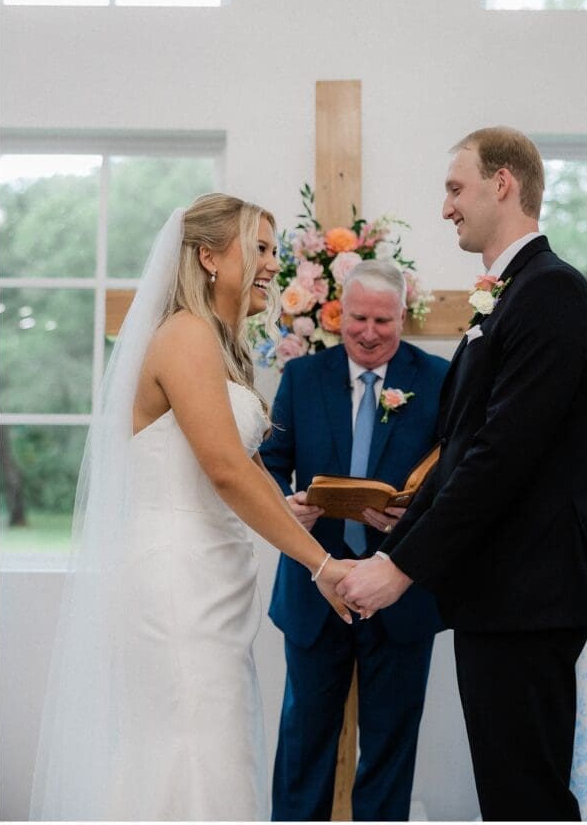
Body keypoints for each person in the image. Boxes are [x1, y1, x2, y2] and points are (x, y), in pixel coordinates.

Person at [29, 194, 354, 822]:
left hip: (212, 574)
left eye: (276, 250)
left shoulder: (219, 346)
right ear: (208, 255)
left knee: (217, 742)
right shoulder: (184, 335)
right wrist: (322, 565)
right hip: (175, 578)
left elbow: (241, 464)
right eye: (259, 248)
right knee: (192, 749)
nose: (272, 264)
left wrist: (286, 512)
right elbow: (226, 469)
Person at [338, 127, 587, 822]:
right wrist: (412, 513)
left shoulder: (549, 293)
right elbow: (464, 442)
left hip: (530, 592)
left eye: (455, 189)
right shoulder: (511, 293)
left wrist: (399, 566)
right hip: (499, 590)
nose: (445, 208)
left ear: (503, 184)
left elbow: (502, 455)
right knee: (509, 793)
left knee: (526, 798)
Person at [260, 260, 448, 821]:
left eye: (383, 321)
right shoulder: (302, 378)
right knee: (303, 743)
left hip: (402, 593)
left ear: (403, 317)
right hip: (315, 589)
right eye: (359, 318)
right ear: (340, 313)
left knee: (390, 749)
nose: (369, 332)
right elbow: (268, 465)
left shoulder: (439, 378)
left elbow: (456, 479)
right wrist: (286, 506)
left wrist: (412, 518)